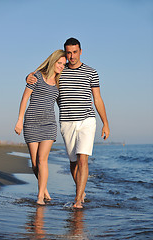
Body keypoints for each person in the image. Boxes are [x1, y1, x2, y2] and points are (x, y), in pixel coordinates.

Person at [26, 38, 110, 208]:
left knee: (82, 160)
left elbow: (98, 99)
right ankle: (81, 190)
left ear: (81, 51)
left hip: (87, 120)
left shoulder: (91, 72)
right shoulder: (60, 72)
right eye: (69, 53)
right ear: (66, 53)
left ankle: (78, 200)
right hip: (66, 122)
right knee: (73, 162)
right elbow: (42, 74)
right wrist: (28, 76)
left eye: (75, 52)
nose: (72, 56)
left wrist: (105, 123)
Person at [15, 50, 66, 205]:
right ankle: (45, 190)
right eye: (59, 63)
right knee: (35, 164)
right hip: (31, 122)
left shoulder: (59, 82)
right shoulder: (36, 76)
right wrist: (19, 120)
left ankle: (39, 197)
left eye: (64, 65)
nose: (61, 67)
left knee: (42, 160)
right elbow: (25, 98)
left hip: (49, 125)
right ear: (53, 61)